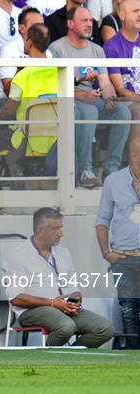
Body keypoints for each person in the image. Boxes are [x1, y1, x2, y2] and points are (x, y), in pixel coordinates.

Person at [3, 207, 114, 347]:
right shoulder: (19, 255)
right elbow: (16, 298)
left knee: (104, 329)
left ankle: (71, 361)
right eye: (55, 228)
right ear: (40, 230)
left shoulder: (63, 252)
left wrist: (74, 299)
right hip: (32, 311)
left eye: (61, 227)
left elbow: (74, 287)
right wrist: (52, 302)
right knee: (65, 326)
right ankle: (49, 361)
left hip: (63, 307)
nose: (61, 234)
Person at [49, 6, 130, 187]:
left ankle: (111, 169)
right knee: (90, 111)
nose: (90, 24)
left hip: (91, 99)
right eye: (84, 21)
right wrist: (82, 95)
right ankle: (85, 169)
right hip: (69, 100)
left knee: (122, 113)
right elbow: (54, 86)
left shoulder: (96, 49)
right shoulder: (56, 48)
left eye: (91, 21)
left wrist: (110, 97)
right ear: (70, 23)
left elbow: (106, 83)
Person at [0, 23, 57, 191]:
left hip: (25, 138)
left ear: (29, 42)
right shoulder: (60, 70)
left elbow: (8, 109)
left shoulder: (22, 75)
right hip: (55, 138)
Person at [96, 136, 140, 349]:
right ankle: (133, 358)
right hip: (123, 257)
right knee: (128, 309)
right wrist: (106, 253)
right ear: (134, 157)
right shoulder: (113, 181)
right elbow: (102, 221)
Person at [0, 7, 47, 100]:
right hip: (2, 102)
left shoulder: (47, 52)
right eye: (36, 25)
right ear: (22, 28)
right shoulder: (7, 50)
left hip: (34, 100)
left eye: (42, 25)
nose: (40, 29)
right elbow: (10, 93)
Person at [104, 0, 140, 143]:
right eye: (135, 11)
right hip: (126, 101)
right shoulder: (111, 46)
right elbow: (120, 90)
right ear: (122, 15)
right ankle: (135, 162)